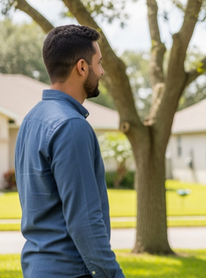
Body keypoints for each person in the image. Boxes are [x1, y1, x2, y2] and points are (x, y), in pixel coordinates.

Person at [15, 25, 125, 278]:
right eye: (99, 63)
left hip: (37, 268)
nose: (102, 71)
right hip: (70, 272)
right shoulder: (72, 126)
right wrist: (112, 275)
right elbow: (85, 221)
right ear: (82, 67)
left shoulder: (32, 119)